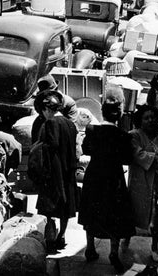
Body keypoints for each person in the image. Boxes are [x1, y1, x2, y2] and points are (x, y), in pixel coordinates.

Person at [78, 101, 135, 273]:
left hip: (94, 176)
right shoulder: (123, 135)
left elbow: (85, 150)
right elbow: (127, 159)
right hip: (114, 178)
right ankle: (113, 253)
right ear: (119, 115)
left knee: (91, 211)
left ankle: (90, 248)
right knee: (115, 214)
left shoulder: (92, 130)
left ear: (102, 113)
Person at [128, 105, 158, 261]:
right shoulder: (134, 135)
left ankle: (155, 247)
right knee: (133, 211)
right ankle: (125, 239)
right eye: (146, 118)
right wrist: (155, 158)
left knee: (157, 215)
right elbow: (136, 153)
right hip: (139, 181)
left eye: (153, 117)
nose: (150, 120)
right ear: (140, 120)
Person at [34, 90, 78, 252]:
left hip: (54, 173)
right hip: (68, 172)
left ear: (47, 109)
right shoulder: (71, 124)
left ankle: (50, 238)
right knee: (65, 208)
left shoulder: (50, 123)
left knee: (49, 208)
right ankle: (62, 236)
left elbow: (49, 149)